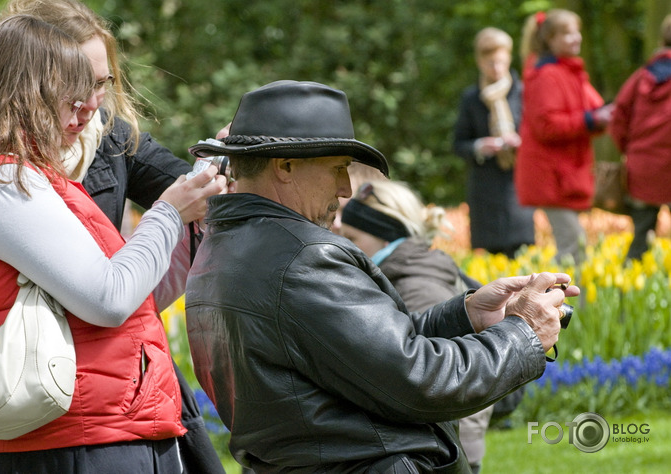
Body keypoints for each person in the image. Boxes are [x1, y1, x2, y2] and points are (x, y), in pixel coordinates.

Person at [185, 79, 578, 472]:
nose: (345, 189)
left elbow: (356, 358)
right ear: (285, 166)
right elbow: (420, 381)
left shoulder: (223, 245)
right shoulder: (301, 257)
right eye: (338, 169)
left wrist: (467, 315)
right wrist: (523, 331)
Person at [0, 14, 224, 473]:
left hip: (106, 429)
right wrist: (169, 213)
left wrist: (199, 214)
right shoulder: (5, 180)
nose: (90, 111)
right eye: (74, 95)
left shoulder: (39, 177)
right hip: (71, 442)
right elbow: (107, 299)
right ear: (22, 93)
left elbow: (135, 297)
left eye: (98, 88)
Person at [339, 179, 492, 473]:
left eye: (353, 237)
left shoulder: (418, 287)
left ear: (386, 238)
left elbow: (432, 372)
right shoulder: (398, 274)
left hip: (439, 450)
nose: (343, 244)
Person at [515, 9, 614, 264]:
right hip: (551, 175)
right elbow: (546, 126)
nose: (577, 38)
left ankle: (563, 303)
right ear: (550, 39)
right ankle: (558, 303)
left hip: (566, 174)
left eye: (577, 31)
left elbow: (593, 110)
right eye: (568, 33)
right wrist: (592, 119)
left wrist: (602, 116)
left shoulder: (571, 72)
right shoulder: (546, 75)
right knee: (573, 246)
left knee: (574, 245)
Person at [453, 27, 535, 259]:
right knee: (492, 262)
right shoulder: (471, 98)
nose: (496, 68)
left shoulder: (524, 92)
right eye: (490, 63)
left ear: (509, 57)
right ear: (479, 62)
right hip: (485, 188)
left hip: (518, 183)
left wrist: (520, 141)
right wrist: (480, 146)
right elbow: (458, 144)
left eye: (500, 62)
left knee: (521, 253)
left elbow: (539, 134)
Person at [608, 14, 671, 261]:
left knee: (642, 234)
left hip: (643, 168)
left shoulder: (641, 76)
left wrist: (630, 149)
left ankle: (630, 292)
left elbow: (617, 117)